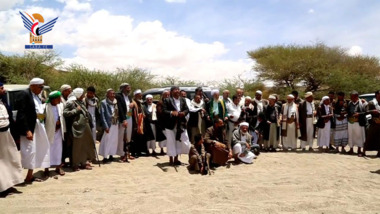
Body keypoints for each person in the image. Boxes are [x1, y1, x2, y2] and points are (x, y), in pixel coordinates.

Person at [15, 78, 50, 182]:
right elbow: (21, 114)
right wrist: (27, 130)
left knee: (38, 149)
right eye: (40, 87)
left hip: (38, 125)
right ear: (33, 85)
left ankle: (30, 175)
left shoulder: (37, 95)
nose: (41, 89)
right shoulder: (24, 94)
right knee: (29, 151)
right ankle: (25, 176)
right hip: (30, 128)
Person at [63, 88, 96, 171]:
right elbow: (65, 113)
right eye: (81, 94)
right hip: (77, 127)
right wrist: (76, 110)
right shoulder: (71, 102)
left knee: (85, 145)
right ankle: (75, 164)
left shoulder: (81, 102)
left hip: (85, 125)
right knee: (77, 146)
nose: (83, 95)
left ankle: (83, 163)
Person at [0, 82, 23, 196]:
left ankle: (8, 185)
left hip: (6, 134)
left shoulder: (3, 102)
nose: (3, 90)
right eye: (1, 88)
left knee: (10, 159)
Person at [163, 86, 191, 166]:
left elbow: (187, 109)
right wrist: (172, 112)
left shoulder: (183, 100)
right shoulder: (167, 100)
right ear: (171, 92)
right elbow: (164, 111)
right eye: (175, 90)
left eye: (178, 89)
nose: (177, 91)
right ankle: (171, 159)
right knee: (171, 141)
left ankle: (176, 159)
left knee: (179, 141)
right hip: (170, 124)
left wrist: (184, 113)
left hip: (180, 124)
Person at [44, 91, 66, 176]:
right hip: (49, 131)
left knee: (58, 150)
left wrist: (59, 124)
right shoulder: (45, 107)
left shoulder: (60, 106)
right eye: (59, 98)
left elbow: (62, 117)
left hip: (59, 132)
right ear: (54, 99)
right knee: (48, 150)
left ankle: (58, 167)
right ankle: (46, 168)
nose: (60, 99)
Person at [99, 89, 120, 163]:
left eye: (114, 94)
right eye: (111, 94)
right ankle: (105, 156)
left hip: (115, 123)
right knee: (106, 140)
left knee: (114, 140)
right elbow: (102, 115)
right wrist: (105, 126)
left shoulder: (116, 102)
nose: (113, 95)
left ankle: (111, 155)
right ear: (107, 94)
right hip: (108, 124)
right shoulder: (103, 103)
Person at [115, 83, 134, 161]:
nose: (129, 89)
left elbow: (129, 106)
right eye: (127, 88)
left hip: (129, 117)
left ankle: (127, 153)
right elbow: (120, 109)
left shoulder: (129, 97)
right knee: (121, 136)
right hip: (123, 119)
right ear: (123, 89)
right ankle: (121, 154)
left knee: (128, 136)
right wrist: (124, 120)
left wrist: (132, 104)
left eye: (129, 88)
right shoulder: (119, 96)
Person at [347, 91, 367, 156]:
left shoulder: (362, 103)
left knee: (359, 136)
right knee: (351, 135)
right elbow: (347, 111)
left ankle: (359, 149)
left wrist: (359, 114)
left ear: (356, 96)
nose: (351, 98)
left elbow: (366, 112)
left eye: (352, 96)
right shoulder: (350, 103)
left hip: (359, 122)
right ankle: (351, 149)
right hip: (351, 122)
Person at [363, 90, 380, 157]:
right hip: (373, 123)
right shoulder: (371, 103)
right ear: (376, 95)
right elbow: (366, 111)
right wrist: (373, 111)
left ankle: (379, 152)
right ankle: (364, 151)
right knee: (369, 138)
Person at [60, 84, 73, 167]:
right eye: (68, 90)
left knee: (69, 142)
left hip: (69, 123)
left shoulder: (70, 99)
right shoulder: (60, 99)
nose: (70, 92)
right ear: (64, 91)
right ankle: (62, 160)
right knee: (63, 142)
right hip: (63, 123)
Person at [131, 89, 146, 157]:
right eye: (140, 95)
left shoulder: (140, 102)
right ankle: (134, 152)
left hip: (141, 121)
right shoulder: (133, 102)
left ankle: (139, 151)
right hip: (135, 121)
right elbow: (129, 113)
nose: (141, 96)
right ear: (136, 95)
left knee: (140, 137)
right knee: (134, 137)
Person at [155, 91, 169, 155]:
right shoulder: (160, 103)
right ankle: (161, 149)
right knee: (162, 137)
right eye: (166, 95)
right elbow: (159, 112)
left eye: (168, 95)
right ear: (163, 95)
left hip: (168, 122)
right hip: (161, 122)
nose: (167, 96)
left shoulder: (170, 102)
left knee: (168, 136)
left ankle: (168, 149)